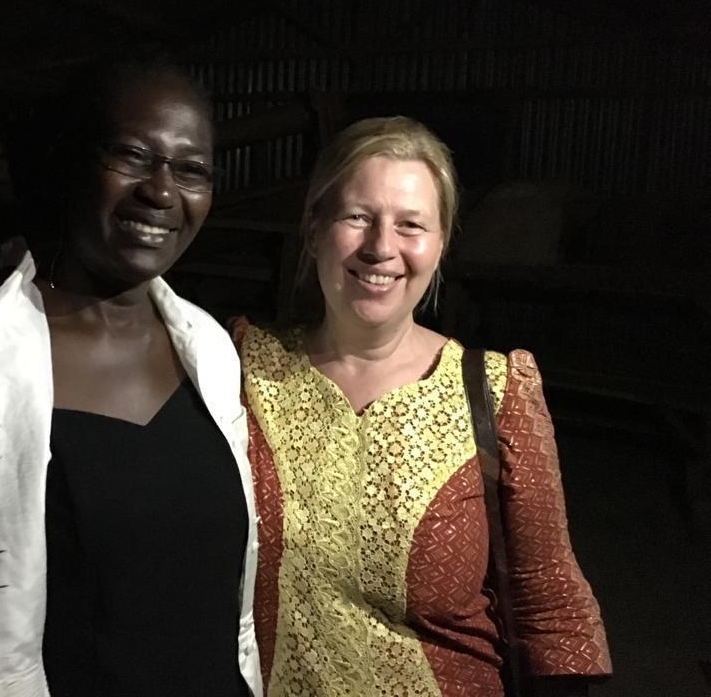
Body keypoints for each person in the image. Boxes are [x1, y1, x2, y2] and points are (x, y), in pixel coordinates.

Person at [0, 60, 261, 697]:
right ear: (71, 162)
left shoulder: (209, 350)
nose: (161, 191)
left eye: (191, 168)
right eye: (132, 154)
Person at [232, 116, 612, 696]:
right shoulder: (243, 367)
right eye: (357, 217)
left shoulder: (495, 391)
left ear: (440, 245)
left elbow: (550, 602)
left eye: (411, 225)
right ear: (313, 231)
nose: (382, 247)